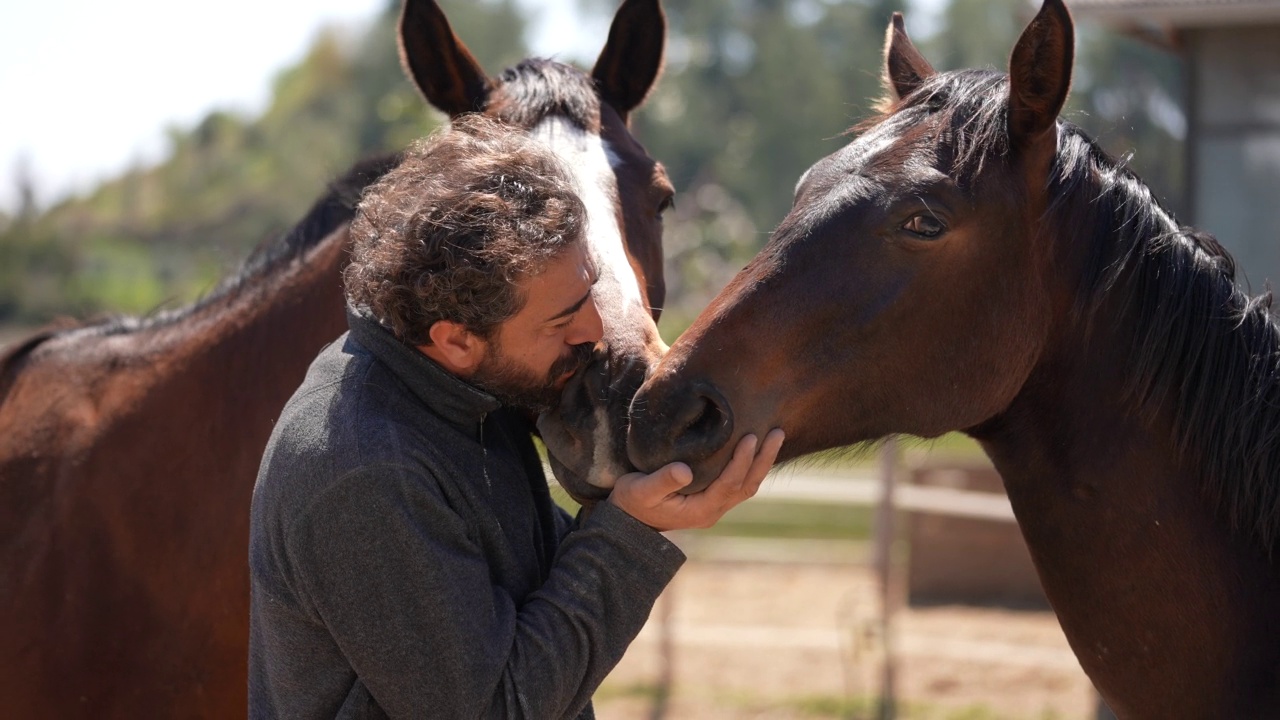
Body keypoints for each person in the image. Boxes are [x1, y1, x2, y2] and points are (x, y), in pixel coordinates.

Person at [248, 115, 784, 719]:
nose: (595, 332)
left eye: (587, 294)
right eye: (562, 321)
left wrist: (641, 507)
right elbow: (495, 708)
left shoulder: (464, 392)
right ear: (456, 340)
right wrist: (633, 532)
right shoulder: (365, 472)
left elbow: (535, 594)